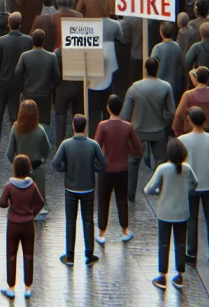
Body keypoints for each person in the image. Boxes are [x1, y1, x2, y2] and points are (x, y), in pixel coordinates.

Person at [145, 139, 200, 290]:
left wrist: (158, 192)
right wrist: (185, 191)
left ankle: (162, 276)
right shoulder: (187, 168)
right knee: (180, 243)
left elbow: (149, 189)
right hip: (182, 212)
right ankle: (180, 276)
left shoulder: (163, 169)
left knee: (164, 243)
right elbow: (195, 183)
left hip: (165, 212)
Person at [52, 114, 106, 266]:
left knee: (70, 221)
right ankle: (89, 255)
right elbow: (103, 164)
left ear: (73, 126)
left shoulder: (66, 144)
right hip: (88, 188)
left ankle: (70, 256)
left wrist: (66, 169)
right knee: (88, 221)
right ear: (85, 126)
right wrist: (92, 168)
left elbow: (55, 163)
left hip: (70, 188)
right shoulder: (93, 145)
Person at [122, 58, 175, 199]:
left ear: (145, 69)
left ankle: (130, 193)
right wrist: (163, 122)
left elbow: (125, 114)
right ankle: (162, 191)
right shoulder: (166, 87)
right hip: (158, 130)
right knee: (161, 162)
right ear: (158, 69)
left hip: (138, 130)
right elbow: (171, 111)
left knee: (133, 161)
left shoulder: (134, 87)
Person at [178, 107, 209, 265]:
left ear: (189, 121)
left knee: (191, 220)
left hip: (189, 186)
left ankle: (191, 254)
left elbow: (178, 165)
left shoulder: (182, 140)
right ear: (204, 120)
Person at [95, 95, 142, 243]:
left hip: (105, 169)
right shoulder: (127, 127)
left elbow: (96, 147)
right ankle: (125, 231)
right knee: (122, 200)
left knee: (103, 201)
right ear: (121, 109)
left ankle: (102, 234)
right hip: (122, 170)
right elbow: (139, 149)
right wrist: (127, 149)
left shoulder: (102, 126)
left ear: (108, 107)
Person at [0, 155, 44, 299]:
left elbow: (2, 203)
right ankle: (28, 288)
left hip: (13, 224)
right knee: (29, 255)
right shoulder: (32, 185)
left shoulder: (9, 186)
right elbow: (40, 202)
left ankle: (11, 288)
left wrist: (11, 204)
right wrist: (32, 214)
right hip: (28, 225)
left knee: (11, 255)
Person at [0, 13, 31, 152]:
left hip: (2, 82)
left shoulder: (1, 41)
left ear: (8, 24)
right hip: (18, 83)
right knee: (15, 115)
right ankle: (17, 144)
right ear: (20, 25)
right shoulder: (28, 41)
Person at [6, 100, 51, 218]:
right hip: (37, 171)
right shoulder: (40, 130)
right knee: (40, 207)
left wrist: (17, 164)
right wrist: (42, 160)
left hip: (20, 173)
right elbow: (47, 149)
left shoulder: (15, 128)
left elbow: (10, 154)